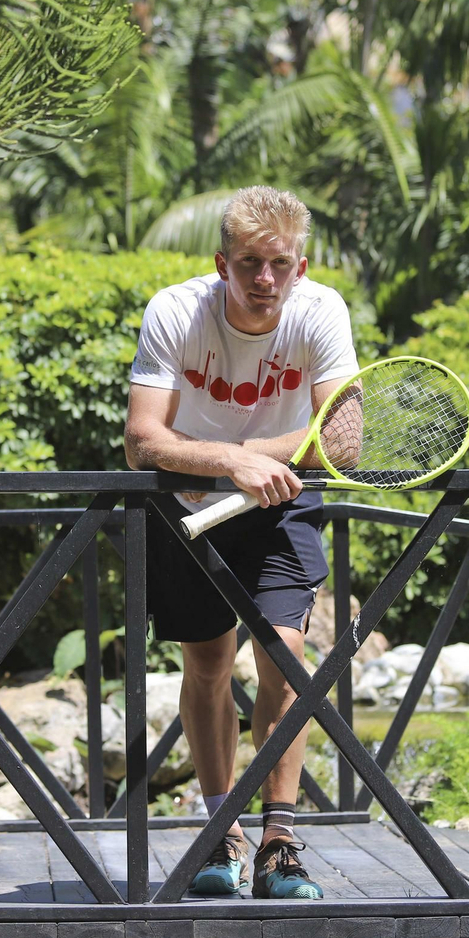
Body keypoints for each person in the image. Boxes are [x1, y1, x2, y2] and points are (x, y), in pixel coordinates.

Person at [123, 185, 358, 899]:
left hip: (283, 498)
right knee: (208, 659)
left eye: (279, 264)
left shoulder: (322, 312)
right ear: (220, 263)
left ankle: (279, 838)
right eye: (249, 262)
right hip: (192, 498)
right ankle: (223, 829)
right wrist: (230, 462)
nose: (264, 279)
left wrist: (260, 455)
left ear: (302, 266)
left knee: (285, 651)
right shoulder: (175, 310)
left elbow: (343, 440)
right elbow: (141, 441)